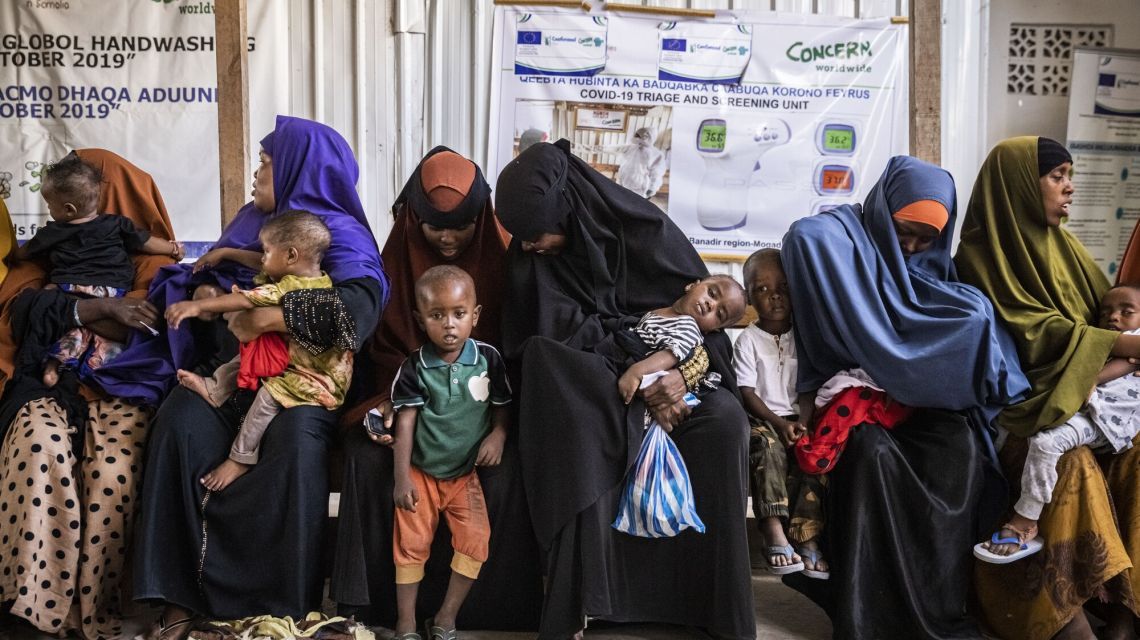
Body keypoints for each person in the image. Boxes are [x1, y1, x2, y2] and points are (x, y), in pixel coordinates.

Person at [131, 116, 387, 640]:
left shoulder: (338, 236)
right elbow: (210, 281)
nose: (256, 174)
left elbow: (355, 315)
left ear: (299, 169)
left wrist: (265, 318)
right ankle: (180, 599)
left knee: (296, 442)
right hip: (232, 378)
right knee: (180, 420)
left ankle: (277, 611)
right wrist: (203, 297)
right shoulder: (253, 223)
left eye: (266, 164)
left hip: (300, 387)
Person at [495, 140, 755, 639]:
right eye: (522, 237)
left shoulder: (646, 232)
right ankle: (589, 599)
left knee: (725, 424)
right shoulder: (529, 254)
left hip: (677, 373)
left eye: (537, 235)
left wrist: (682, 373)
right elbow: (543, 339)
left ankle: (711, 607)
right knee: (558, 379)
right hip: (596, 378)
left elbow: (711, 330)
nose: (529, 246)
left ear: (568, 210)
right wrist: (631, 364)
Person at [779, 155, 1029, 638]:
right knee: (872, 457)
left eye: (926, 238)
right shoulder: (845, 240)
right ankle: (867, 614)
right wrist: (901, 356)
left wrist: (915, 361)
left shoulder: (939, 275)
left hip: (930, 409)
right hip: (860, 406)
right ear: (881, 210)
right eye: (902, 231)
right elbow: (806, 239)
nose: (911, 246)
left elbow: (969, 346)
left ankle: (934, 610)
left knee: (960, 454)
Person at [332, 147, 542, 631]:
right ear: (412, 219)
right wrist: (387, 402)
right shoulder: (394, 262)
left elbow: (512, 358)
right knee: (366, 461)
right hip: (401, 403)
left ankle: (486, 611)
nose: (448, 237)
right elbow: (379, 348)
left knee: (510, 470)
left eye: (461, 225)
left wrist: (496, 427)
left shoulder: (506, 263)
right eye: (434, 226)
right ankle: (376, 609)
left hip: (479, 412)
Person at [957, 137, 1140, 640]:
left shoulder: (1070, 250)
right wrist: (1129, 345)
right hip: (1025, 412)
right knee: (1070, 463)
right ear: (1019, 183)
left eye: (1069, 175)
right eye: (1057, 176)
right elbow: (1037, 334)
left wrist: (1120, 350)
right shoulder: (981, 258)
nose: (1070, 187)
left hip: (1091, 402)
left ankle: (1126, 613)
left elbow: (1104, 322)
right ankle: (1067, 618)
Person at [0, 149, 177, 640]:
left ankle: (95, 610)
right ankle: (30, 606)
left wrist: (109, 308)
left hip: (124, 384)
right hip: (43, 378)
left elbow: (159, 319)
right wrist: (99, 310)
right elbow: (19, 309)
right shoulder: (55, 250)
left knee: (114, 472)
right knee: (41, 450)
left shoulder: (153, 265)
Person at [165, 212, 351, 492]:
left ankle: (240, 458)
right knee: (247, 358)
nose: (261, 258)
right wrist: (227, 252)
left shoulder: (296, 287)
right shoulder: (304, 273)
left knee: (266, 397)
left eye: (265, 251)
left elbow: (244, 298)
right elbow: (260, 264)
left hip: (318, 380)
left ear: (290, 256)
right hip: (295, 359)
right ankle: (216, 389)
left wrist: (196, 307)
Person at [975, 284, 1140, 564]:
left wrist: (1093, 377)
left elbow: (1125, 363)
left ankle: (1025, 519)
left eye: (1127, 312)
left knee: (1045, 443)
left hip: (1107, 421)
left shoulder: (1132, 340)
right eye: (1106, 313)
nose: (1113, 318)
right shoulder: (1106, 341)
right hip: (1091, 414)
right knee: (1014, 424)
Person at [389, 265, 510, 640]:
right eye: (436, 315)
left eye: (459, 314)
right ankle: (406, 621)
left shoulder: (488, 359)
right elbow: (404, 423)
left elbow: (502, 404)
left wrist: (499, 434)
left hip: (463, 476)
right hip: (422, 474)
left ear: (474, 315)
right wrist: (402, 477)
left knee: (476, 542)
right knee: (410, 546)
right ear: (420, 320)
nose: (449, 325)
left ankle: (446, 616)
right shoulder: (414, 367)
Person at [10, 154, 182, 387]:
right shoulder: (118, 224)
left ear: (68, 209)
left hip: (68, 288)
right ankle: (101, 368)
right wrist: (173, 248)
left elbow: (23, 254)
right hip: (112, 291)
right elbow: (146, 243)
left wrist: (10, 247)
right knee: (104, 336)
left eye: (50, 205)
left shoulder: (52, 232)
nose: (49, 210)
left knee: (66, 325)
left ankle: (53, 366)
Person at [732, 249, 828, 578]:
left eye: (783, 287)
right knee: (767, 449)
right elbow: (747, 392)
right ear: (747, 297)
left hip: (797, 417)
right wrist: (778, 424)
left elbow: (808, 387)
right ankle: (772, 529)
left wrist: (801, 422)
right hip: (762, 420)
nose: (774, 295)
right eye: (761, 289)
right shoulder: (748, 340)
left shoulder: (805, 337)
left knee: (814, 457)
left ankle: (807, 538)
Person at [617, 273, 746, 405]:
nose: (711, 304)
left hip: (644, 383)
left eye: (719, 313)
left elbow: (670, 356)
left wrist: (636, 372)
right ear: (692, 285)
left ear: (713, 330)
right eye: (712, 293)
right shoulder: (664, 312)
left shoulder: (688, 327)